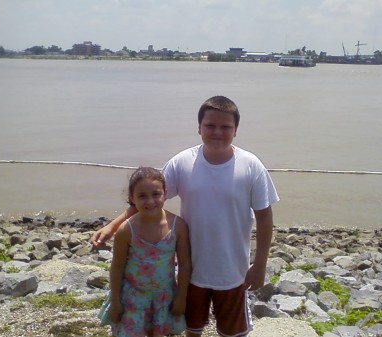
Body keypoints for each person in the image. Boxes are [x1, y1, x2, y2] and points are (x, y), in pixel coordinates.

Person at [92, 96, 279, 337]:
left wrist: (260, 264)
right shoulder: (182, 163)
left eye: (226, 127)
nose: (217, 132)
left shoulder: (251, 165)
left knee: (233, 332)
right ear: (199, 127)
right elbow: (149, 200)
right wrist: (111, 227)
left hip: (233, 271)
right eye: (210, 125)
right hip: (191, 271)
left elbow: (264, 217)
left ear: (236, 130)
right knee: (192, 330)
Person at [98, 167, 191, 337]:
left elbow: (185, 264)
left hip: (163, 296)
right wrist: (117, 301)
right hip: (132, 296)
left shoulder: (178, 226)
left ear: (165, 193)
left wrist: (181, 297)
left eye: (156, 194)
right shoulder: (126, 230)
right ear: (131, 198)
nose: (150, 201)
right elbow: (117, 267)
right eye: (142, 196)